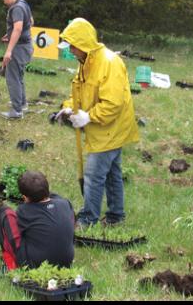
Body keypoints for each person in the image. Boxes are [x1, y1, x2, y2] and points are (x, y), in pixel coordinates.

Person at [54, 18, 139, 228]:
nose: (71, 51)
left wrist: (89, 117)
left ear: (83, 44)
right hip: (104, 127)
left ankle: (88, 219)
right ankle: (116, 216)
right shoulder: (86, 63)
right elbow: (81, 93)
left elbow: (113, 103)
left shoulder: (109, 63)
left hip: (110, 127)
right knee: (112, 173)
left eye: (73, 46)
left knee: (93, 175)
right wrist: (69, 107)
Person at [0, 171, 75, 271]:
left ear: (24, 197)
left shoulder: (24, 211)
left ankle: (11, 264)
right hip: (66, 262)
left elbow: (18, 232)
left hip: (35, 265)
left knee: (3, 212)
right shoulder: (65, 204)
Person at [0, 0, 34, 119]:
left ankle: (16, 111)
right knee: (18, 76)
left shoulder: (17, 8)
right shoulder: (24, 3)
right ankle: (22, 104)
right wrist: (9, 34)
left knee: (12, 77)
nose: (4, 3)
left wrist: (9, 51)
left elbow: (18, 28)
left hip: (19, 48)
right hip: (26, 45)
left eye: (4, 0)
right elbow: (30, 22)